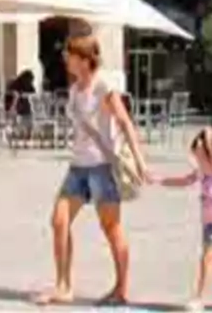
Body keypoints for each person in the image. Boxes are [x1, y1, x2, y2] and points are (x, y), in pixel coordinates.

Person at [36, 30, 150, 306]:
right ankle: (63, 286)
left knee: (111, 228)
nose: (66, 59)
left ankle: (121, 289)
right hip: (78, 166)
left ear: (85, 59)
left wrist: (140, 160)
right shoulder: (75, 89)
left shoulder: (103, 87)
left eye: (71, 55)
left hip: (101, 166)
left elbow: (124, 122)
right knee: (59, 221)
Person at [152, 127, 212, 311]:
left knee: (208, 257)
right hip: (208, 223)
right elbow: (183, 181)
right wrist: (159, 180)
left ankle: (198, 297)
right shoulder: (202, 173)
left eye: (201, 158)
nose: (199, 162)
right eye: (196, 158)